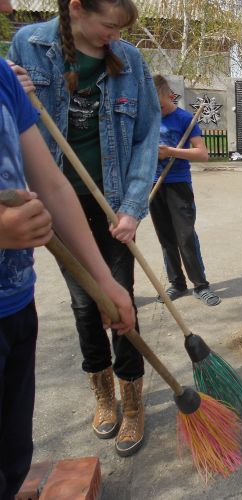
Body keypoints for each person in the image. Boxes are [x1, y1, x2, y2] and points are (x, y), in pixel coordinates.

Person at [9, 0, 160, 458]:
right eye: (107, 25)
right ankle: (102, 392)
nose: (113, 35)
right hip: (59, 204)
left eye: (119, 28)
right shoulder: (29, 45)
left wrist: (133, 206)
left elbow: (147, 132)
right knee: (84, 304)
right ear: (76, 8)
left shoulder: (130, 60)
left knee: (121, 301)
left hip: (112, 206)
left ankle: (132, 398)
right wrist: (11, 92)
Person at [0, 52, 135, 499]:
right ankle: (104, 396)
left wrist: (106, 280)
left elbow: (53, 184)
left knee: (13, 456)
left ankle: (129, 400)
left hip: (17, 301)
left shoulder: (4, 76)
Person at [150, 75, 220, 307]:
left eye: (159, 105)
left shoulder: (185, 119)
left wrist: (171, 152)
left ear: (169, 96)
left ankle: (201, 285)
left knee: (186, 236)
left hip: (178, 184)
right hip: (152, 183)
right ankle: (177, 284)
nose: (157, 110)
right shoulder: (147, 117)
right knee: (165, 237)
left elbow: (202, 154)